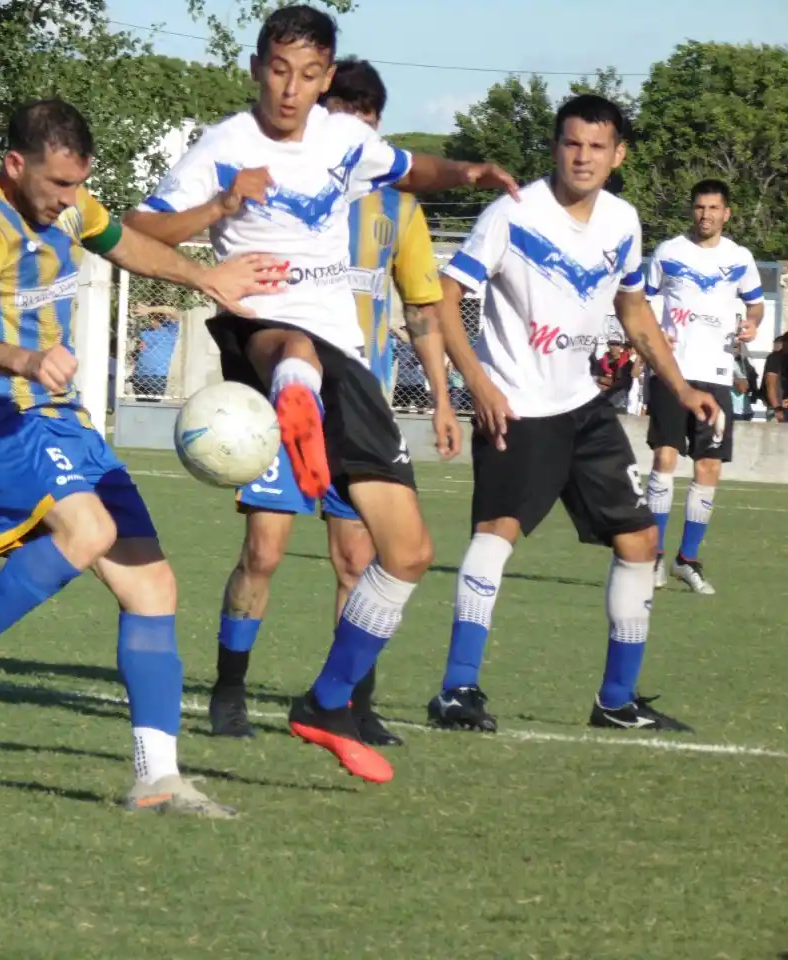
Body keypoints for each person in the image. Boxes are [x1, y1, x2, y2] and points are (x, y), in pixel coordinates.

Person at [123, 5, 514, 783]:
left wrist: (470, 173)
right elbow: (136, 228)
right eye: (277, 70)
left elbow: (409, 169)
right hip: (260, 329)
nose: (289, 89)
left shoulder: (343, 139)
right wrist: (220, 210)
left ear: (326, 77)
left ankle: (329, 702)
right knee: (290, 359)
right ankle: (293, 408)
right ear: (256, 68)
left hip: (347, 358)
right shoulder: (225, 144)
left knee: (408, 553)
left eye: (307, 75)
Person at [0, 98, 285, 818]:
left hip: (59, 414)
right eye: (57, 184)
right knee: (89, 531)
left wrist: (206, 278)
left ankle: (156, 779)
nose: (70, 199)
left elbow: (122, 241)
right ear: (15, 164)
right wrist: (23, 358)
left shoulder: (71, 204)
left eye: (79, 184)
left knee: (154, 587)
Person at [428, 94, 719, 734]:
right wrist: (477, 384)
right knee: (496, 534)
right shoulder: (512, 213)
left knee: (641, 542)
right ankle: (457, 689)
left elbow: (633, 309)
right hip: (518, 407)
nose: (582, 157)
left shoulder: (622, 221)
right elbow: (443, 298)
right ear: (556, 147)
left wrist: (680, 387)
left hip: (584, 408)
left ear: (618, 156)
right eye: (571, 143)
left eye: (596, 146)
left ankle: (616, 700)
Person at [196, 57, 453, 747]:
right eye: (340, 117)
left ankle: (351, 705)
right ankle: (229, 689)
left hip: (358, 401)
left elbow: (421, 307)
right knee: (264, 551)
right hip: (285, 393)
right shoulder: (284, 188)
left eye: (363, 123)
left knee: (358, 561)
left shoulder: (400, 211)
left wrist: (442, 397)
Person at [642, 179, 765, 595]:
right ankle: (654, 556)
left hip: (716, 374)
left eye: (713, 208)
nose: (706, 215)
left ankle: (686, 559)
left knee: (709, 466)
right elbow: (643, 300)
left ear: (726, 213)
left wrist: (753, 324)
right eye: (699, 207)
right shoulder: (668, 252)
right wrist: (654, 333)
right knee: (664, 457)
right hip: (671, 371)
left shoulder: (739, 257)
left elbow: (755, 304)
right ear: (691, 211)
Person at [763, 331, 788, 421]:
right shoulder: (775, 358)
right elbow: (770, 383)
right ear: (785, 343)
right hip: (778, 409)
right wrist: (777, 407)